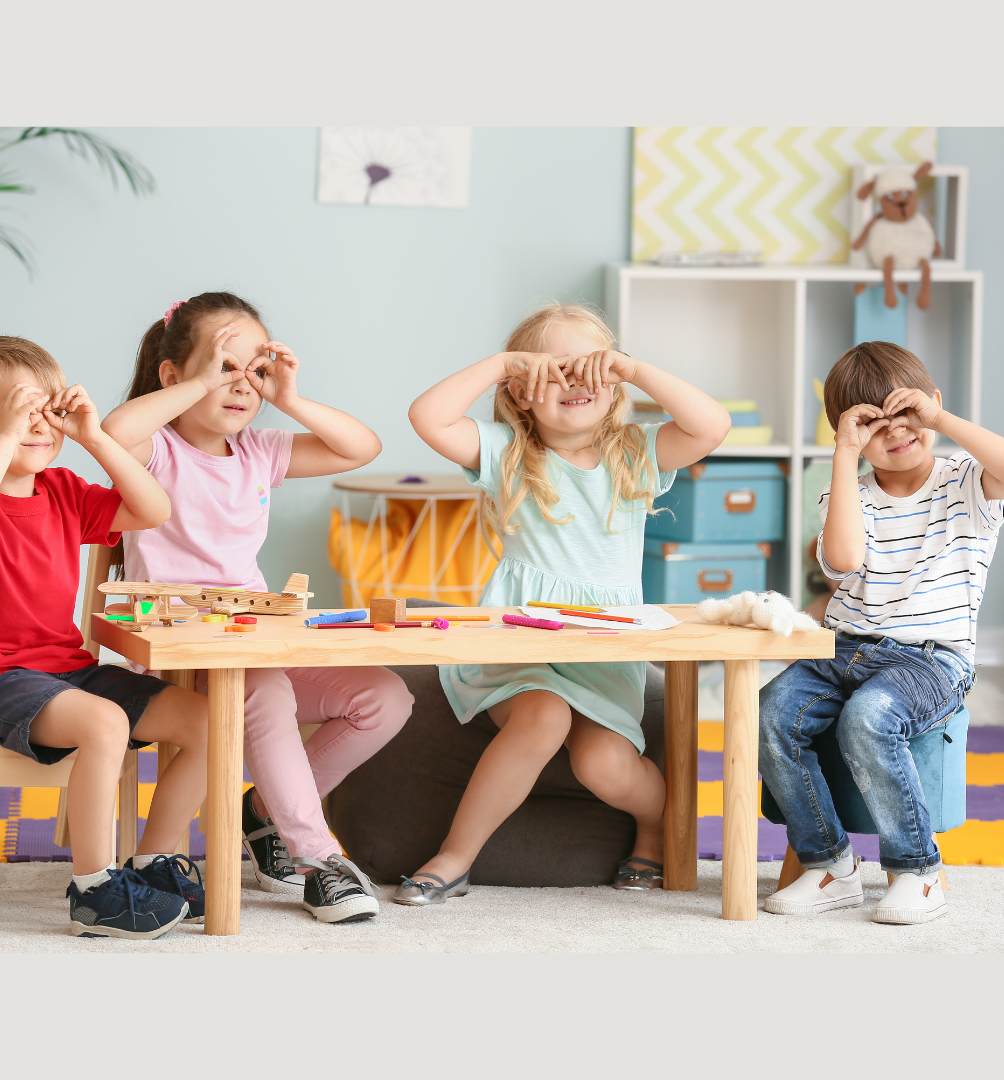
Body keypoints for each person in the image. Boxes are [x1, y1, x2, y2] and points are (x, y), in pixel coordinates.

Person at [394, 303, 730, 905]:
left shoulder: (636, 454)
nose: (575, 382)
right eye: (554, 372)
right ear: (520, 392)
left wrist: (631, 368)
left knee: (603, 765)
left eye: (591, 369)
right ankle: (455, 856)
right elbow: (428, 416)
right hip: (520, 641)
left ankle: (653, 825)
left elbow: (711, 425)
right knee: (543, 715)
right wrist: (501, 363)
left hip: (602, 651)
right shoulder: (506, 451)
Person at [101, 292, 413, 924]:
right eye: (225, 368)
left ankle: (268, 818)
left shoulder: (260, 451)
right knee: (265, 690)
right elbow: (113, 432)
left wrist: (290, 398)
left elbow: (362, 447)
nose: (242, 385)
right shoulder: (154, 451)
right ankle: (317, 858)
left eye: (256, 370)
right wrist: (194, 384)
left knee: (384, 698)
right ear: (173, 377)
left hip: (256, 644)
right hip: (175, 658)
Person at [0, 337, 211, 939]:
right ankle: (95, 890)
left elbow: (154, 508)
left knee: (208, 721)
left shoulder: (63, 491)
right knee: (106, 721)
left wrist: (93, 437)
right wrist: (4, 436)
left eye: (44, 412)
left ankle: (154, 861)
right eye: (17, 412)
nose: (36, 426)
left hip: (64, 671)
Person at [760, 341, 1004, 924]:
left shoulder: (969, 481)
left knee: (869, 717)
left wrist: (941, 420)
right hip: (843, 648)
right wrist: (844, 456)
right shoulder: (846, 491)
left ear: (932, 407)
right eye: (872, 427)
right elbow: (841, 561)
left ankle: (918, 871)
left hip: (932, 658)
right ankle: (830, 865)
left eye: (909, 417)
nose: (896, 434)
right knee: (771, 710)